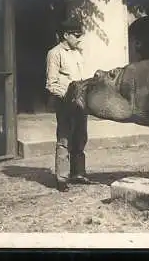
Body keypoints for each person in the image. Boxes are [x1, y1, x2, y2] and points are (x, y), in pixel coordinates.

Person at [45, 18, 93, 192]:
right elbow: (51, 83)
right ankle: (62, 178)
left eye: (80, 35)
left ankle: (78, 173)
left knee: (81, 137)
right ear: (65, 35)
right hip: (65, 103)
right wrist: (67, 97)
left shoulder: (78, 52)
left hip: (81, 103)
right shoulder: (55, 53)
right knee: (64, 139)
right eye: (75, 35)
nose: (79, 38)